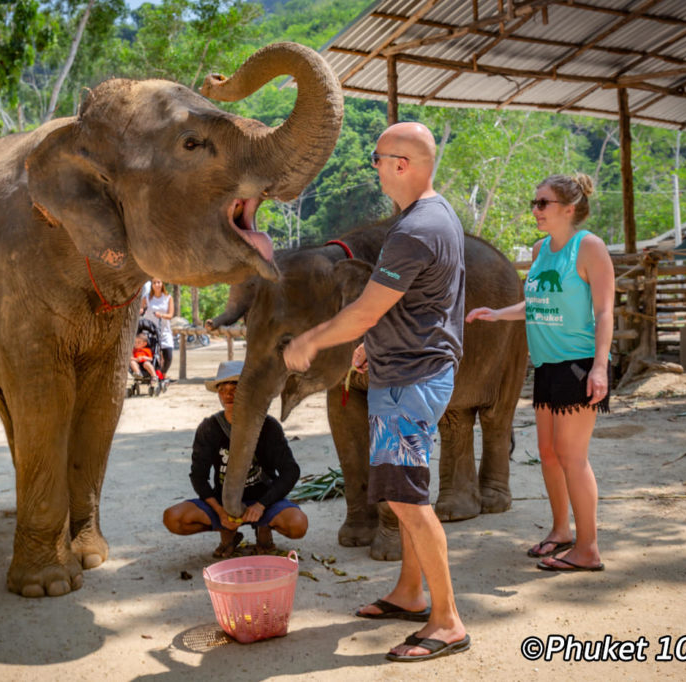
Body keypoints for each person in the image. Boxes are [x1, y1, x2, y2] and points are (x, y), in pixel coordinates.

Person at [283, 122, 469, 663]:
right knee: (403, 494)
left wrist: (313, 340)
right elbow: (421, 303)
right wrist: (373, 342)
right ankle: (411, 594)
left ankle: (448, 620)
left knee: (408, 502)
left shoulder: (415, 229)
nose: (375, 167)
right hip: (409, 368)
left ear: (402, 164)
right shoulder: (434, 215)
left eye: (378, 157)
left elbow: (366, 308)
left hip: (410, 382)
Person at [466, 173, 613, 573]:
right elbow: (537, 302)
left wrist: (600, 367)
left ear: (569, 208)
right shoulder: (540, 250)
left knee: (572, 457)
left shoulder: (590, 248)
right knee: (548, 454)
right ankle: (561, 531)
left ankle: (589, 548)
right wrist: (497, 314)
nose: (536, 210)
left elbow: (603, 312)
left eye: (543, 203)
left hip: (579, 364)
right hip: (546, 365)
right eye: (534, 202)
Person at [162, 360, 308, 558]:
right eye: (223, 389)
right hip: (224, 502)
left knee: (298, 525)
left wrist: (261, 506)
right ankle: (228, 533)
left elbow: (291, 471)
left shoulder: (268, 426)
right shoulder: (209, 428)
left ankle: (263, 528)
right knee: (174, 518)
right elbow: (198, 476)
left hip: (264, 501)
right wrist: (221, 512)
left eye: (236, 388)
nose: (228, 394)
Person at [140, 278, 174, 381]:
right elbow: (141, 309)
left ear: (162, 283)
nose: (157, 285)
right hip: (150, 331)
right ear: (152, 285)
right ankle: (153, 374)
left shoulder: (168, 298)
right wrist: (140, 311)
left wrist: (161, 315)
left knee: (168, 355)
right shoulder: (147, 298)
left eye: (159, 282)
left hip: (164, 330)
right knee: (153, 354)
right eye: (154, 283)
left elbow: (170, 315)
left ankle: (163, 373)